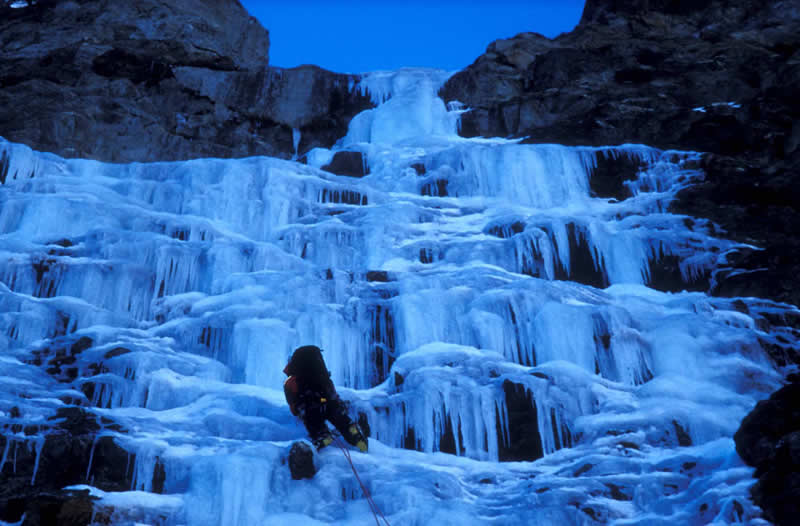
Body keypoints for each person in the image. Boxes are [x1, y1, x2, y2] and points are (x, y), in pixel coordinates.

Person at [283, 345, 368, 452]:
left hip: (312, 407)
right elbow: (332, 391)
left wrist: (299, 411)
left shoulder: (290, 382)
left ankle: (322, 436)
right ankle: (352, 431)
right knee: (340, 419)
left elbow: (294, 408)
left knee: (314, 421)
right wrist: (336, 402)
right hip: (329, 401)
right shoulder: (322, 375)